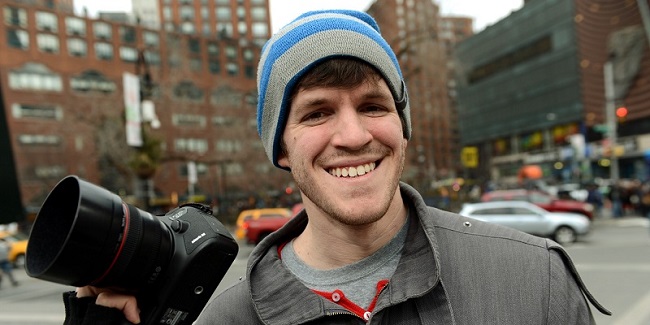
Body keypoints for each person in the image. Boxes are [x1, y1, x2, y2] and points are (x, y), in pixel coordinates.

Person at [62, 9, 610, 324]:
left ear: (401, 125)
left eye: (374, 106)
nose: (353, 136)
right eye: (317, 112)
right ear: (281, 148)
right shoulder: (222, 320)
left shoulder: (533, 278)